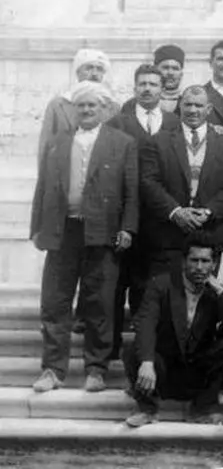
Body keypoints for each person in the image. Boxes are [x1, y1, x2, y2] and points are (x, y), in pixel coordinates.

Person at [30, 81, 138, 394]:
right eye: (81, 105)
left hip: (102, 232)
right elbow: (43, 185)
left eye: (92, 105)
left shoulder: (122, 143)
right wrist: (37, 227)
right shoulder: (58, 141)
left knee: (99, 302)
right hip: (63, 231)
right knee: (55, 301)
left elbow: (131, 191)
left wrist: (127, 228)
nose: (87, 110)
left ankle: (96, 369)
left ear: (104, 109)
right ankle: (53, 370)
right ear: (73, 109)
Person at [123, 235, 223, 426]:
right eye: (194, 260)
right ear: (183, 261)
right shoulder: (161, 285)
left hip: (196, 374)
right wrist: (147, 362)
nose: (199, 267)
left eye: (205, 261)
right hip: (163, 372)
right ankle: (147, 409)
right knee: (132, 349)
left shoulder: (215, 293)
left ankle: (202, 409)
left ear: (214, 264)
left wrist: (221, 292)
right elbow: (146, 323)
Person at [106, 63, 181, 356]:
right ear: (135, 87)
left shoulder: (174, 122)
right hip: (125, 215)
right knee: (117, 283)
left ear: (163, 89)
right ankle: (111, 347)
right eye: (143, 84)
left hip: (161, 219)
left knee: (151, 285)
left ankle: (145, 350)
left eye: (153, 84)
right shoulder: (118, 123)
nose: (148, 89)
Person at [140, 85, 223, 277]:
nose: (193, 110)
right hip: (168, 235)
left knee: (206, 291)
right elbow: (149, 182)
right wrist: (176, 212)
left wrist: (208, 212)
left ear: (209, 109)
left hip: (210, 234)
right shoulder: (158, 141)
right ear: (180, 106)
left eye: (199, 105)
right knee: (166, 290)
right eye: (188, 104)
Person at [37, 47, 118, 164]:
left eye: (99, 69)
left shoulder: (112, 107)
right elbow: (46, 146)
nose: (94, 74)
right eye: (89, 68)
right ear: (78, 72)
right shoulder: (58, 106)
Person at [153, 43, 186, 114]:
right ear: (155, 71)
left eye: (175, 68)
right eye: (165, 68)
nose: (170, 73)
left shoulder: (190, 104)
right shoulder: (141, 104)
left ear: (181, 74)